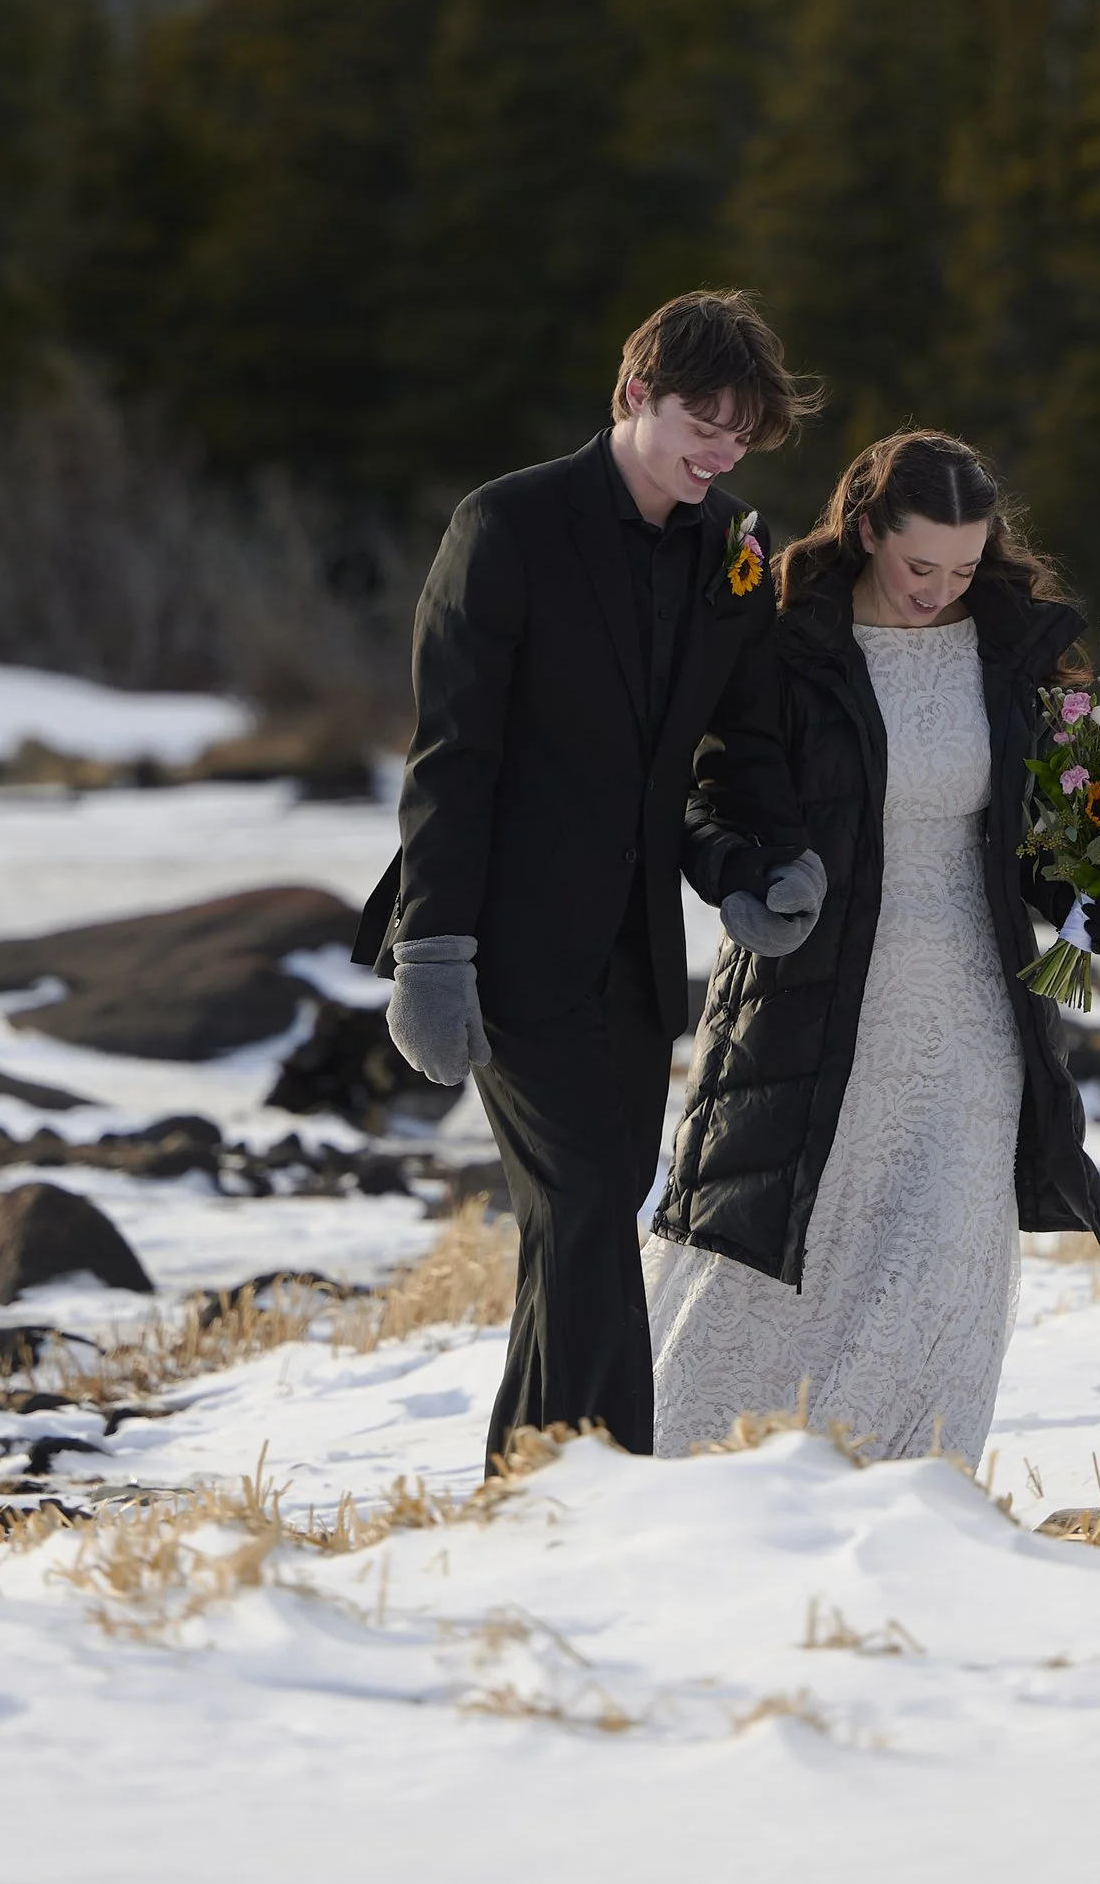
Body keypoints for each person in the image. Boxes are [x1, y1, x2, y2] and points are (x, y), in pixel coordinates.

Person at [356, 291, 827, 1465]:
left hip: (633, 952)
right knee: (578, 1208)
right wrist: (433, 950)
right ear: (634, 396)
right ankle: (603, 1480)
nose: (718, 451)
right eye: (700, 422)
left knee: (592, 1214)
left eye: (738, 433)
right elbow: (452, 755)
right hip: (501, 941)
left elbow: (735, 749)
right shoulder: (507, 525)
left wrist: (750, 868)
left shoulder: (731, 551)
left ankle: (532, 1478)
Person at [647, 428, 1100, 1467]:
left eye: (962, 567)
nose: (938, 591)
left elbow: (1033, 840)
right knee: (767, 1263)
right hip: (808, 996)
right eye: (917, 566)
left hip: (971, 1011)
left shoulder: (1010, 652)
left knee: (939, 1265)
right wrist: (744, 880)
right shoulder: (781, 642)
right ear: (863, 530)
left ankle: (901, 1508)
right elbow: (707, 795)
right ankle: (691, 1487)